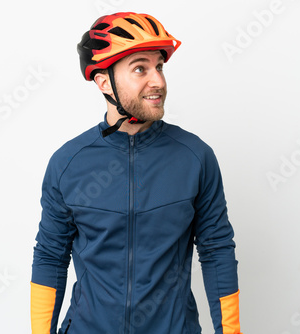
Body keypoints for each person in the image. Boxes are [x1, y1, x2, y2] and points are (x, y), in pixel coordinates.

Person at [31, 12, 242, 334]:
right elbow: (50, 256)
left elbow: (216, 249)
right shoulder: (68, 162)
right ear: (104, 82)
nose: (157, 80)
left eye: (159, 67)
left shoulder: (195, 157)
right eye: (140, 68)